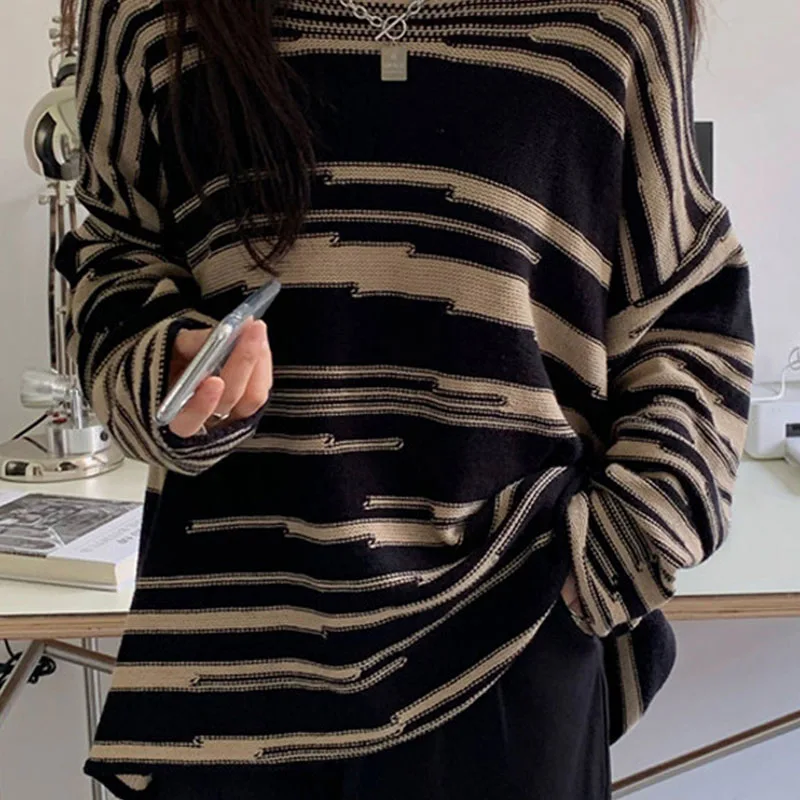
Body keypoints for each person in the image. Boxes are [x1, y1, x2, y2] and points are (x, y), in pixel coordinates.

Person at [55, 0, 754, 798]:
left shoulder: (614, 15)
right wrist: (166, 369)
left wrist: (624, 543)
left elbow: (685, 303)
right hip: (236, 648)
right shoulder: (154, 14)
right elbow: (115, 249)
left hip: (512, 627)